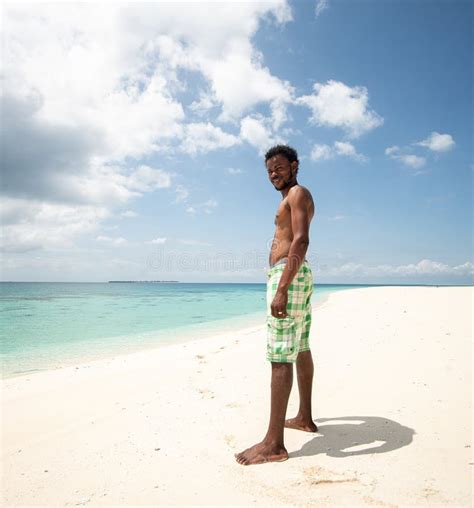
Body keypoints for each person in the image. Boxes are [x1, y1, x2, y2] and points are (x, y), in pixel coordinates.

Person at [235, 144, 317, 466]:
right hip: (297, 274)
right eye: (269, 170)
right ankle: (305, 418)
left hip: (290, 274)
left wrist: (281, 286)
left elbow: (301, 240)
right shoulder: (290, 198)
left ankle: (274, 444)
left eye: (279, 167)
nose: (273, 174)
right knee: (301, 347)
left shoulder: (298, 194)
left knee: (280, 354)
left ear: (294, 166)